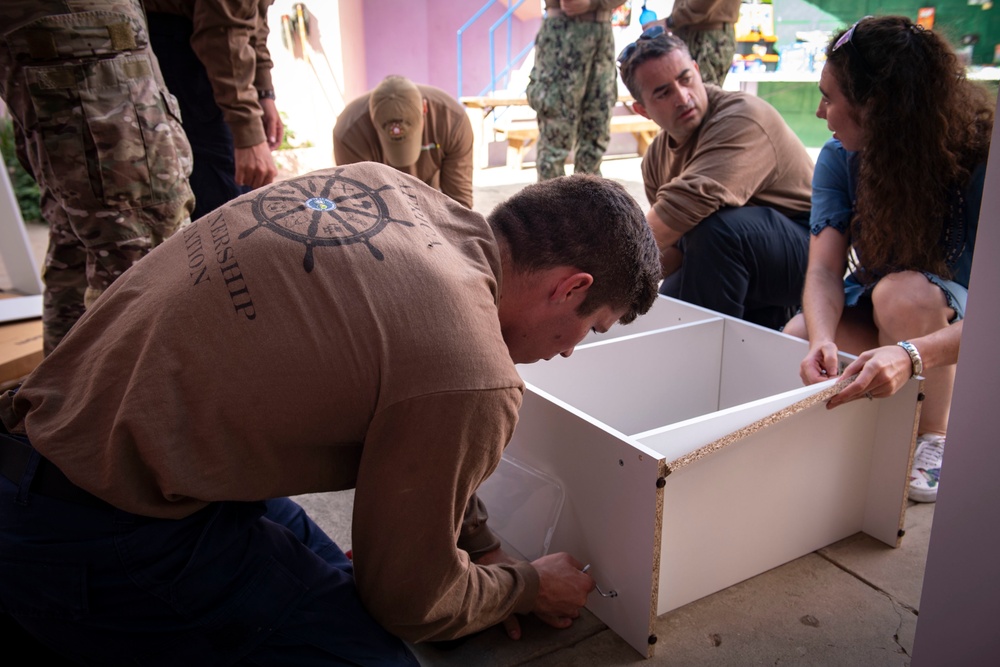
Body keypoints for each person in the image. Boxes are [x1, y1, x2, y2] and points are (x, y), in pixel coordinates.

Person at [0, 162, 661, 663]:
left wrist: (481, 545)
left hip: (46, 441)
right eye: (590, 326)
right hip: (91, 537)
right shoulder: (473, 371)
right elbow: (410, 600)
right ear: (570, 286)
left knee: (340, 580)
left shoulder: (385, 186)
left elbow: (425, 432)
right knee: (386, 652)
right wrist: (525, 588)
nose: (571, 351)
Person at [784, 16, 994, 503]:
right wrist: (819, 338)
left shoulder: (980, 157)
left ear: (877, 108)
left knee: (903, 294)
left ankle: (936, 438)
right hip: (886, 314)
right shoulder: (841, 158)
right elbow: (822, 270)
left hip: (954, 335)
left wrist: (912, 354)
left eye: (830, 97)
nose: (820, 112)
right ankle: (880, 434)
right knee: (795, 339)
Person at [0, 0, 194, 355]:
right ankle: (137, 407)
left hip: (70, 30)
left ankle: (66, 404)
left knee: (81, 241)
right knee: (148, 250)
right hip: (79, 24)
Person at [617, 27, 813, 329]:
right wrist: (616, 300)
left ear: (697, 70)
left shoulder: (742, 117)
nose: (683, 97)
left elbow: (681, 211)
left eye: (685, 79)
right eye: (663, 93)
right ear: (642, 110)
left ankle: (704, 359)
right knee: (659, 314)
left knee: (717, 231)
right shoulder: (656, 157)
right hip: (730, 251)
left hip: (808, 254)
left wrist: (604, 271)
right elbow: (669, 248)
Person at [146, 0, 282, 221]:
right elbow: (223, 30)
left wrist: (264, 92)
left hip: (222, 55)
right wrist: (247, 130)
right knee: (227, 207)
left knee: (244, 198)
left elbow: (253, 16)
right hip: (190, 49)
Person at [334, 75, 474, 209]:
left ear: (424, 109)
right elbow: (359, 205)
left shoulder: (452, 122)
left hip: (429, 195)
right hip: (380, 197)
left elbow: (460, 205)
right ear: (372, 117)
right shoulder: (348, 133)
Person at [525, 0, 620, 181]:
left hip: (603, 33)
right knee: (555, 138)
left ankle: (588, 204)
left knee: (596, 129)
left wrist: (594, 2)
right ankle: (548, 206)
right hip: (562, 32)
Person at [644, 0, 742, 86]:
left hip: (706, 35)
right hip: (695, 32)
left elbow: (702, 5)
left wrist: (670, 22)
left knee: (697, 98)